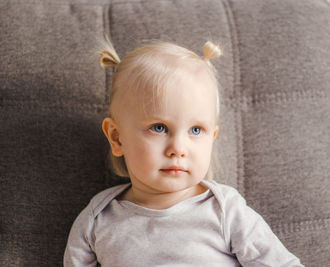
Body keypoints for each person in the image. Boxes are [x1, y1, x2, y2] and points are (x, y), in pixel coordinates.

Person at [63, 34, 305, 267]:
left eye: (196, 131)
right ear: (117, 138)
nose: (178, 148)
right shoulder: (98, 219)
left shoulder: (225, 211)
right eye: (159, 128)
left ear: (212, 138)